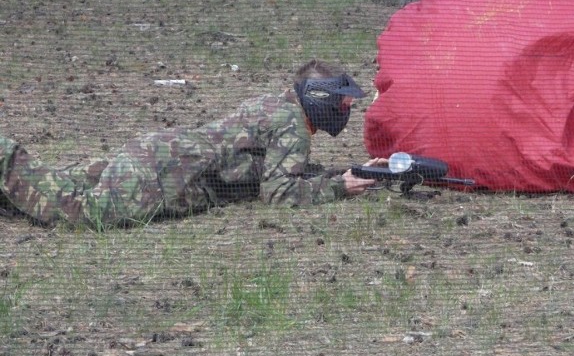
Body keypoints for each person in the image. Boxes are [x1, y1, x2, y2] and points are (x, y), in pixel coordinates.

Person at [0, 59, 383, 229]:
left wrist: (345, 172)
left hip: (161, 157)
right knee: (82, 211)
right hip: (163, 175)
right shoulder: (293, 125)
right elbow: (279, 193)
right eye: (343, 104)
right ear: (319, 98)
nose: (346, 112)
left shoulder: (279, 105)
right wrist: (339, 187)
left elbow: (275, 169)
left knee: (54, 184)